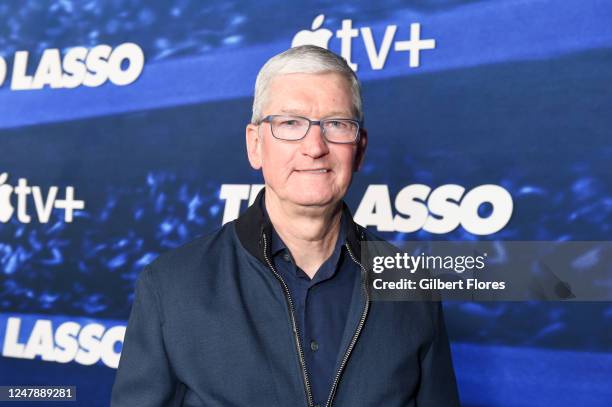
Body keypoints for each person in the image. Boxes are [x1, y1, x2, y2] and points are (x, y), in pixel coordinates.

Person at [111, 45, 459, 407]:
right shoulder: (171, 285)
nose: (314, 147)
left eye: (337, 124)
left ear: (359, 149)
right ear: (255, 144)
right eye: (290, 124)